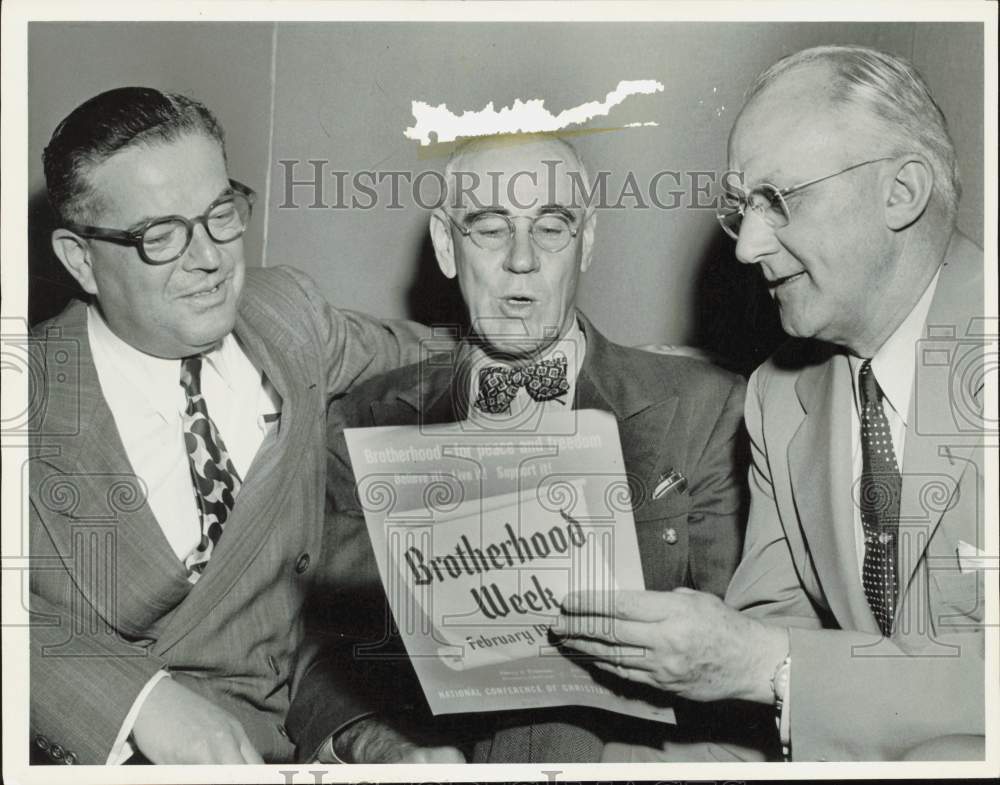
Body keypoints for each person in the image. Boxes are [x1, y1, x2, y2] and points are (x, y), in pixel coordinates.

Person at [551, 45, 987, 761]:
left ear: (902, 192)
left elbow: (773, 663)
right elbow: (774, 674)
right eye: (742, 208)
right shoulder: (778, 395)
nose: (748, 246)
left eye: (779, 200)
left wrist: (764, 662)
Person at [287, 135, 768, 763]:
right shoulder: (368, 420)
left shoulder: (709, 410)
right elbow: (327, 650)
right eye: (489, 228)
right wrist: (388, 748)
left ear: (587, 240)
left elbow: (735, 659)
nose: (522, 259)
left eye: (551, 226)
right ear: (445, 244)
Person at [28, 86, 434, 765]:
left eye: (221, 213)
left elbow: (429, 353)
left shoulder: (286, 312)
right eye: (160, 235)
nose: (211, 257)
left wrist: (616, 360)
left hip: (308, 726)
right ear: (79, 259)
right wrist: (141, 700)